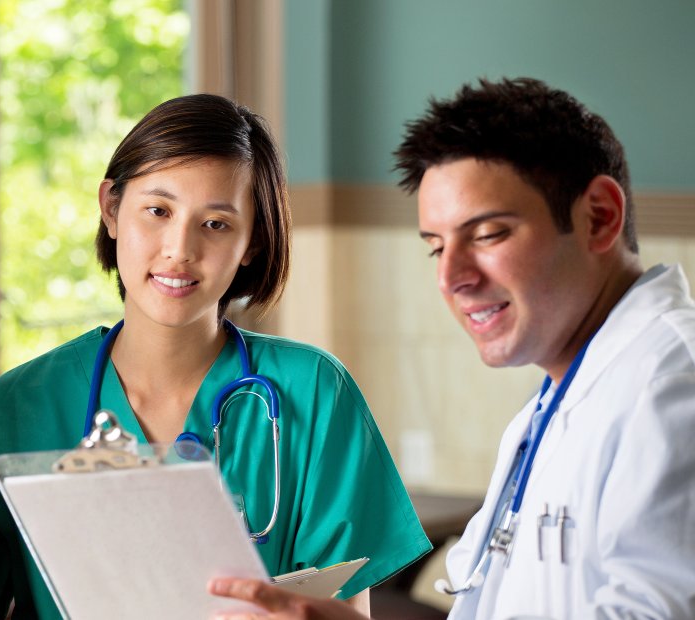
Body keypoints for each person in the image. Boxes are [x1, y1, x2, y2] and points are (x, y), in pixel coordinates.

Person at [210, 78, 695, 618]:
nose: (451, 277)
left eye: (487, 234)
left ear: (600, 216)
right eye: (437, 247)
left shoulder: (673, 389)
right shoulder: (561, 398)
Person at [0, 94, 431, 619]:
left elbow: (347, 610)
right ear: (110, 208)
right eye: (158, 211)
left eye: (215, 223)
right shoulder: (25, 401)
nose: (179, 248)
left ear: (253, 241)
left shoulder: (314, 392)